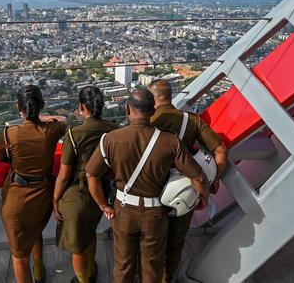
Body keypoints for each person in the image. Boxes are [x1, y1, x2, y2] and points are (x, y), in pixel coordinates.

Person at [86, 89, 209, 283]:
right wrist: (203, 198)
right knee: (152, 269)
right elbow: (199, 178)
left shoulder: (111, 139)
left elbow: (91, 174)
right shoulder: (170, 140)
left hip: (123, 211)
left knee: (123, 266)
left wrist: (103, 205)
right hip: (155, 215)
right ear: (152, 111)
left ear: (127, 109)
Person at [148, 79, 228, 282]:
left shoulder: (147, 121)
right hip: (183, 190)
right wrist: (214, 179)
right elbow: (220, 151)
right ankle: (167, 277)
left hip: (151, 190)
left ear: (152, 98)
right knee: (175, 242)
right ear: (170, 97)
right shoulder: (191, 120)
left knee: (150, 240)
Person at [0, 84, 67, 283]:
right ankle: (38, 269)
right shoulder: (51, 130)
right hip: (44, 195)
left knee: (19, 257)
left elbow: (1, 158)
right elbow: (64, 119)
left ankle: (35, 270)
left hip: (16, 199)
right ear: (42, 105)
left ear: (19, 108)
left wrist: (26, 118)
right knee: (35, 231)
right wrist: (40, 117)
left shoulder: (9, 133)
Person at [54, 86, 119, 283]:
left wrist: (55, 200)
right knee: (89, 232)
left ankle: (84, 279)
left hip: (78, 193)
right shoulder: (113, 129)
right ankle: (91, 270)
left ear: (82, 107)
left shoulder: (74, 134)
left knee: (77, 246)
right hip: (103, 190)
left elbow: (64, 175)